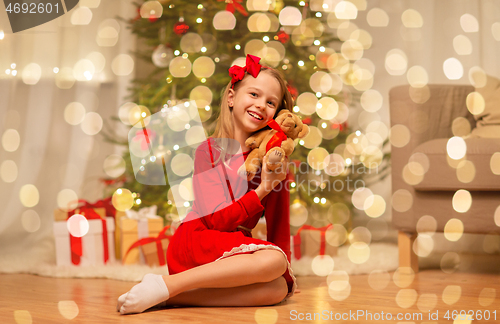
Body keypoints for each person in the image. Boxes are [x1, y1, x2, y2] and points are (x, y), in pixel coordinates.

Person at [117, 54, 297, 315]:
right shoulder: (209, 151)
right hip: (197, 240)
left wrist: (286, 268)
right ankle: (169, 283)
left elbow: (279, 222)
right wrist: (263, 189)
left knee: (278, 288)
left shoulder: (275, 160)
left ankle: (170, 296)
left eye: (271, 102)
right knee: (274, 260)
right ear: (232, 97)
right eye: (254, 95)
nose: (261, 105)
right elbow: (216, 221)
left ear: (277, 115)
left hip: (231, 251)